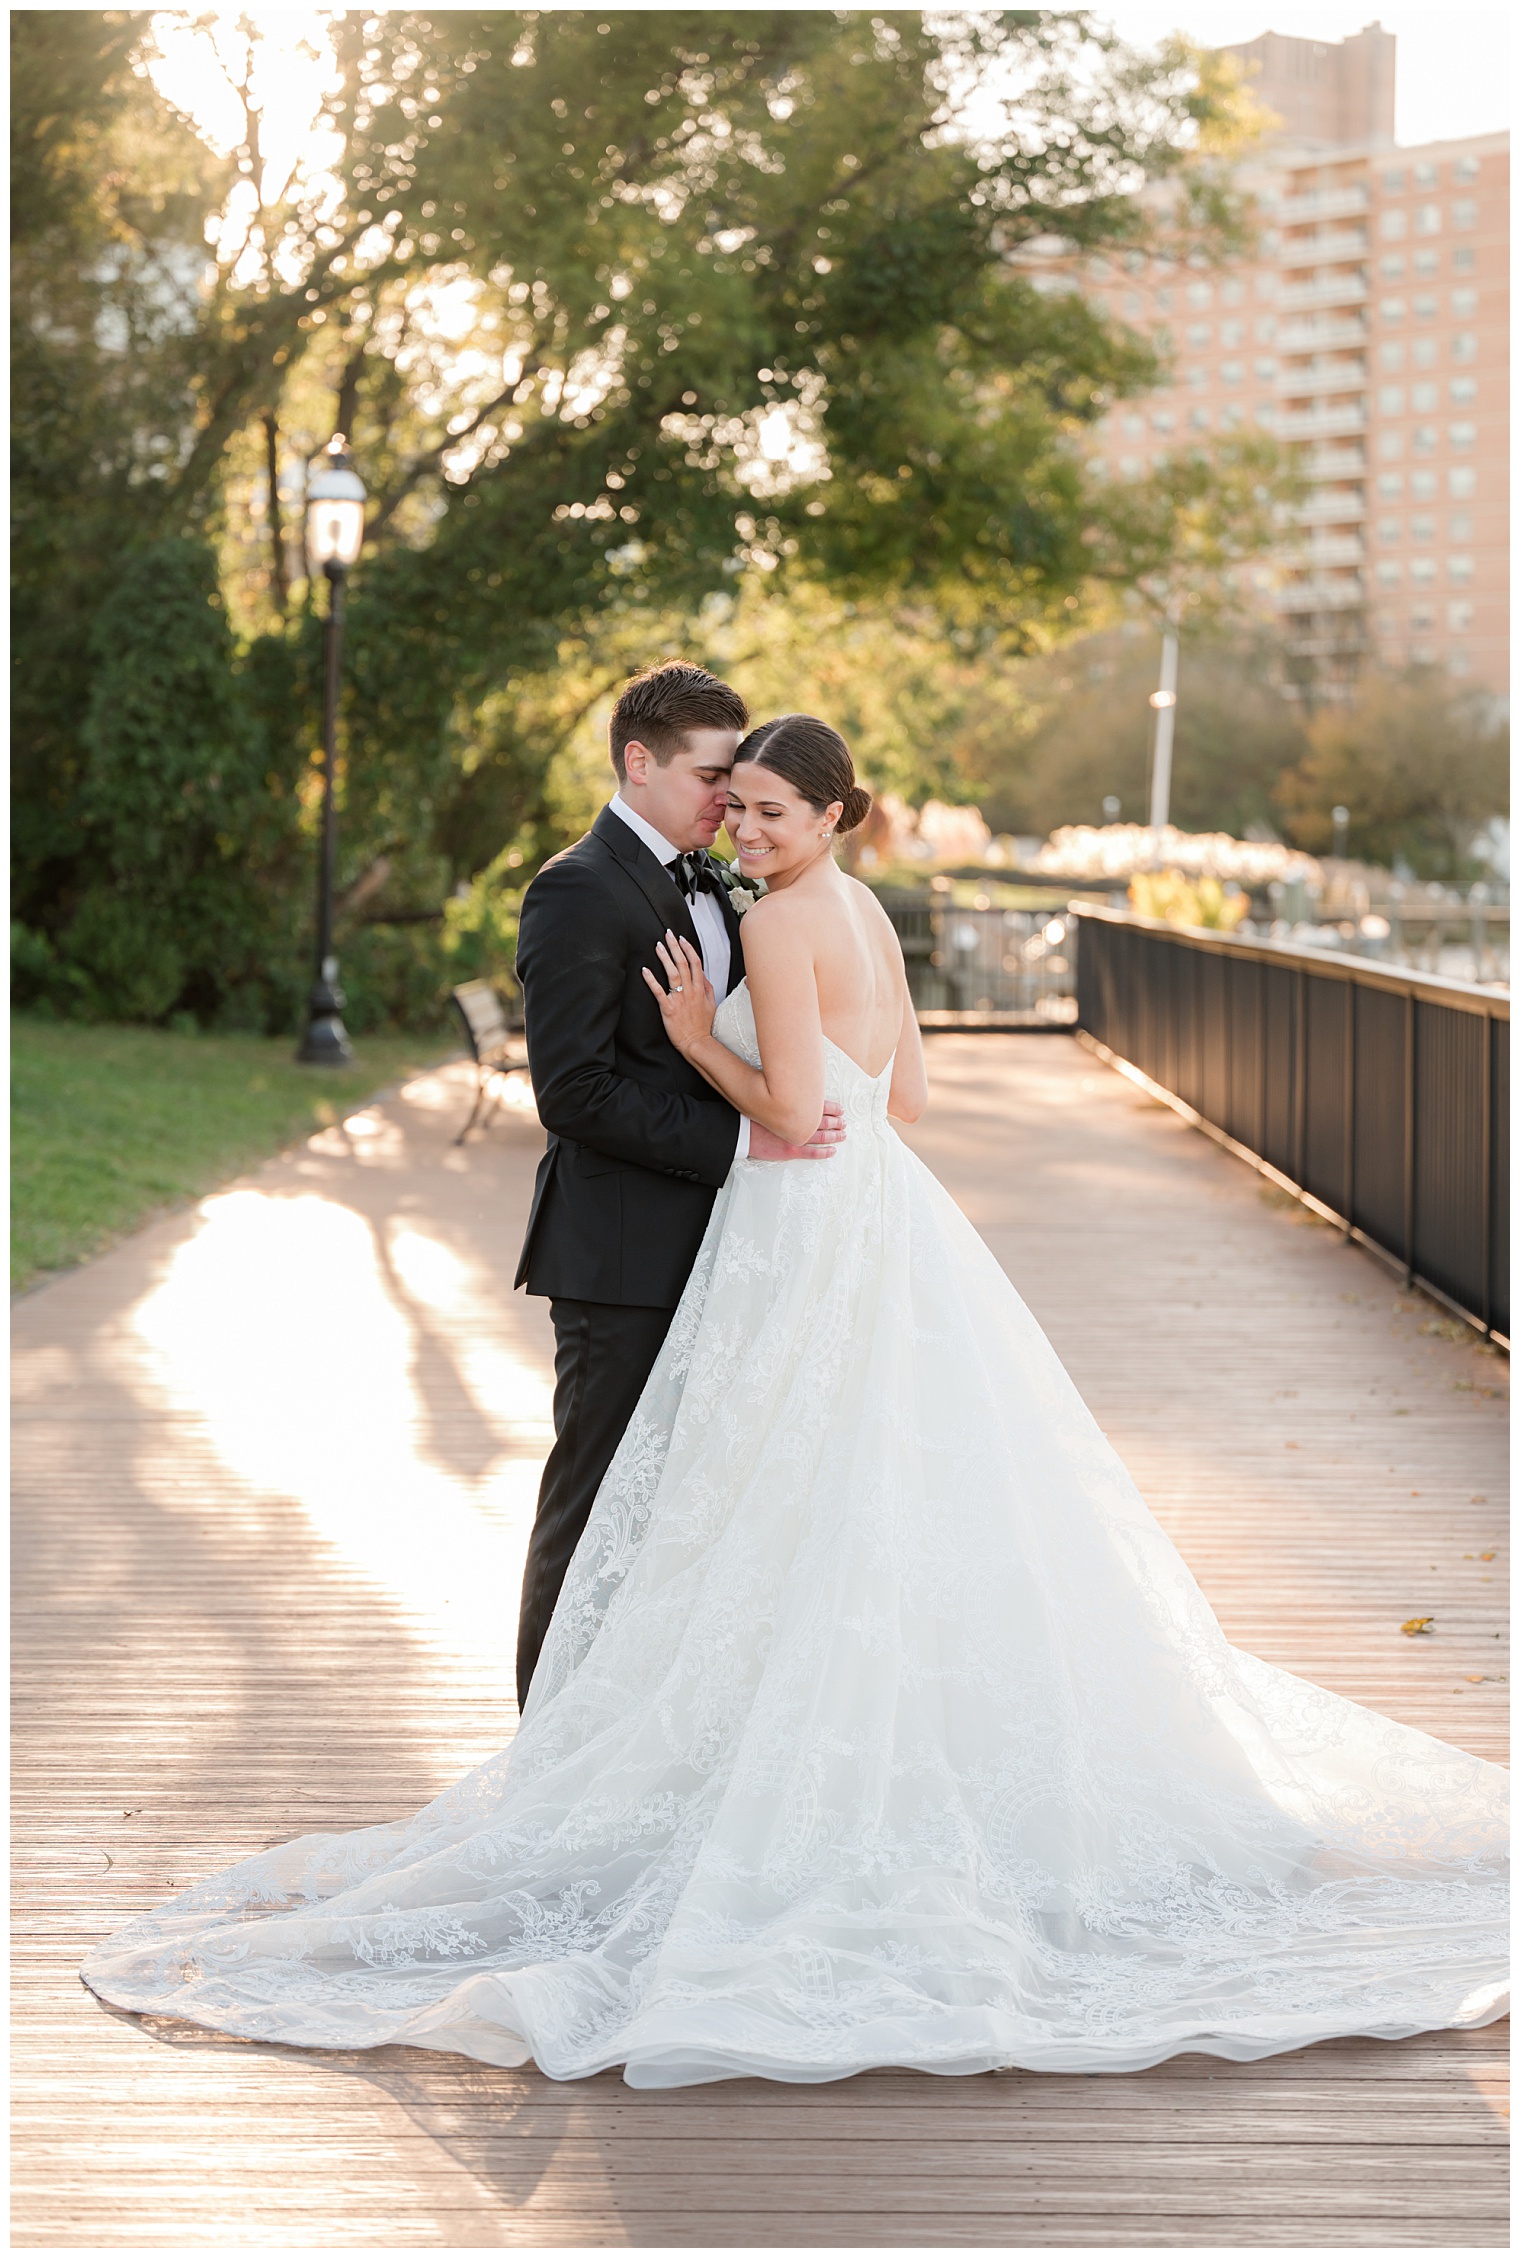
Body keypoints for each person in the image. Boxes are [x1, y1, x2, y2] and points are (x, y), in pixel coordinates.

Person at [82, 715, 1507, 2088]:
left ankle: (702, 1770)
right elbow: (907, 1096)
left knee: (773, 1488)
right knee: (863, 1488)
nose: (743, 826)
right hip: (888, 1213)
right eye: (736, 802)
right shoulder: (875, 913)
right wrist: (794, 1087)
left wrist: (702, 1030)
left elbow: (784, 1109)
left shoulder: (771, 918)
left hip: (796, 1219)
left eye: (768, 808)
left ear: (833, 815)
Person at [510, 661, 844, 1706]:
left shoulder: (715, 881)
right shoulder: (575, 887)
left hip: (719, 1255)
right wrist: (746, 1145)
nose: (726, 801)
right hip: (618, 1258)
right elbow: (573, 1091)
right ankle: (544, 1753)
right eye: (711, 776)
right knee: (594, 1508)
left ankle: (625, 1748)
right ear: (638, 760)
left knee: (679, 1517)